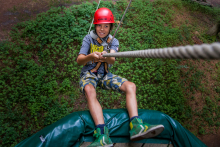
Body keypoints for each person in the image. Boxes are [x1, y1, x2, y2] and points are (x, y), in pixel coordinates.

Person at [76, 7, 164, 147]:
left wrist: (106, 56)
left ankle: (136, 126)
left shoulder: (114, 41)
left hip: (105, 75)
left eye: (106, 26)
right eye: (99, 25)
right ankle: (102, 135)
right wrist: (91, 56)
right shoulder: (88, 39)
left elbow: (112, 60)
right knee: (89, 90)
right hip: (89, 74)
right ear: (95, 25)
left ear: (111, 27)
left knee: (131, 86)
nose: (102, 29)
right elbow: (79, 60)